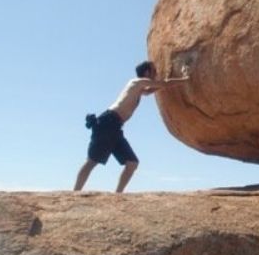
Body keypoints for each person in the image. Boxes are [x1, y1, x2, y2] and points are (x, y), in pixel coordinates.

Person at [74, 60, 185, 193]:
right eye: (154, 71)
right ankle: (75, 193)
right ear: (147, 72)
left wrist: (170, 82)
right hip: (108, 123)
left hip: (116, 126)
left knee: (132, 163)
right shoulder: (137, 82)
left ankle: (118, 195)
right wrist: (184, 79)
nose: (156, 74)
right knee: (92, 161)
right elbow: (163, 84)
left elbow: (149, 91)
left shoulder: (139, 87)